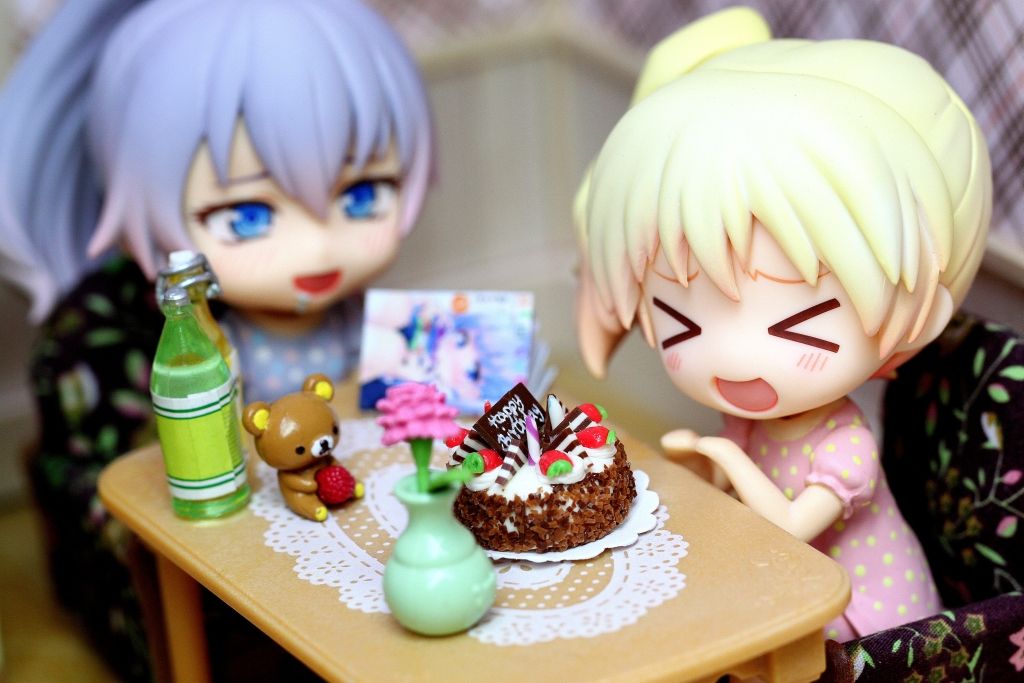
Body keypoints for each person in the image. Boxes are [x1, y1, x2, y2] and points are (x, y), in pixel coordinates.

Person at [0, 0, 433, 678]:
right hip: (249, 556)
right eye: (248, 215)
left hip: (368, 524)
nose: (318, 248)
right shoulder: (195, 348)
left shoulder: (366, 318)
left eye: (360, 198)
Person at [574, 7, 991, 641]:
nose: (735, 357)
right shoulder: (751, 423)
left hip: (872, 624)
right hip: (790, 594)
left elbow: (791, 525)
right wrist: (699, 469)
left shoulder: (846, 447)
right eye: (682, 322)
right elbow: (736, 498)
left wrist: (720, 455)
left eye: (801, 323)